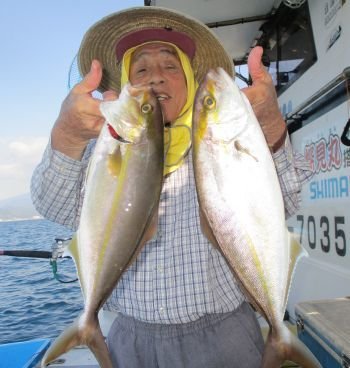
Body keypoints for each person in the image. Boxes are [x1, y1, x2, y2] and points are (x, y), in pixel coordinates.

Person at [31, 6, 312, 368]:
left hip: (226, 335)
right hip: (130, 339)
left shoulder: (220, 147)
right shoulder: (104, 148)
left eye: (170, 66)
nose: (156, 78)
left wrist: (272, 126)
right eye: (141, 69)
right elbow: (53, 206)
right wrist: (67, 136)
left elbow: (290, 198)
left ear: (191, 81)